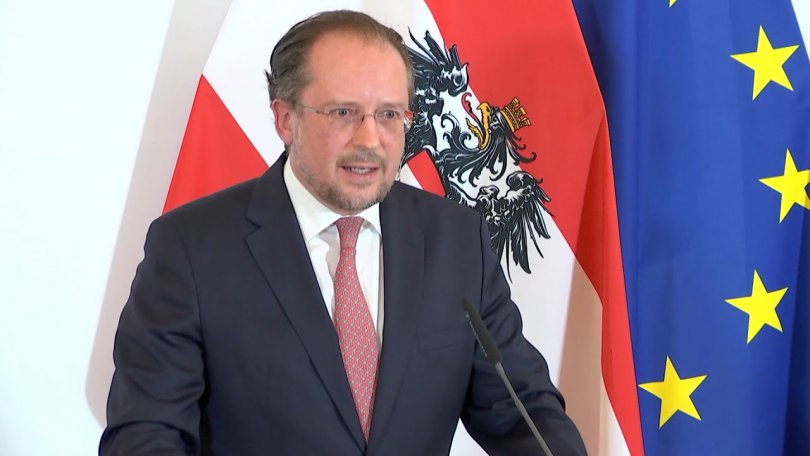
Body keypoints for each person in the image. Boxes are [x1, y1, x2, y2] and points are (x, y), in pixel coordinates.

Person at [100, 10, 586, 456]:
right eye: (343, 113)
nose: (370, 140)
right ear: (285, 119)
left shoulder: (457, 241)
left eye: (389, 115)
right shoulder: (191, 248)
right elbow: (146, 435)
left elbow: (520, 410)